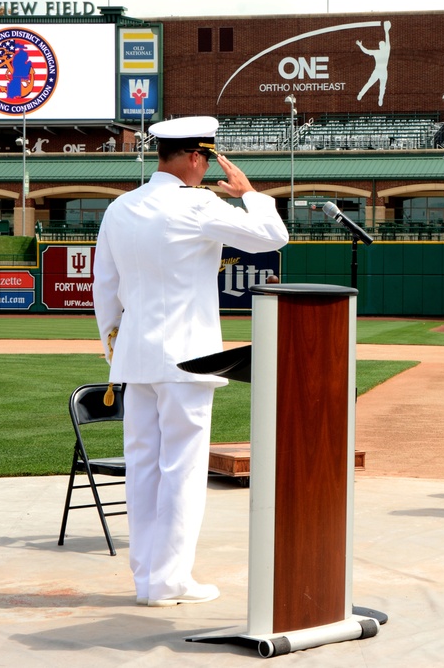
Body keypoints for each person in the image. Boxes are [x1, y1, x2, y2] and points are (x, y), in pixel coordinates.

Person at [92, 116, 288, 606]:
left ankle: (147, 580)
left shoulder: (120, 207)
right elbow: (272, 235)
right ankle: (170, 581)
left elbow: (105, 290)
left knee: (142, 468)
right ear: (197, 158)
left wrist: (116, 350)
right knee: (181, 468)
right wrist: (248, 193)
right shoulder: (199, 203)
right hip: (188, 360)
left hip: (135, 359)